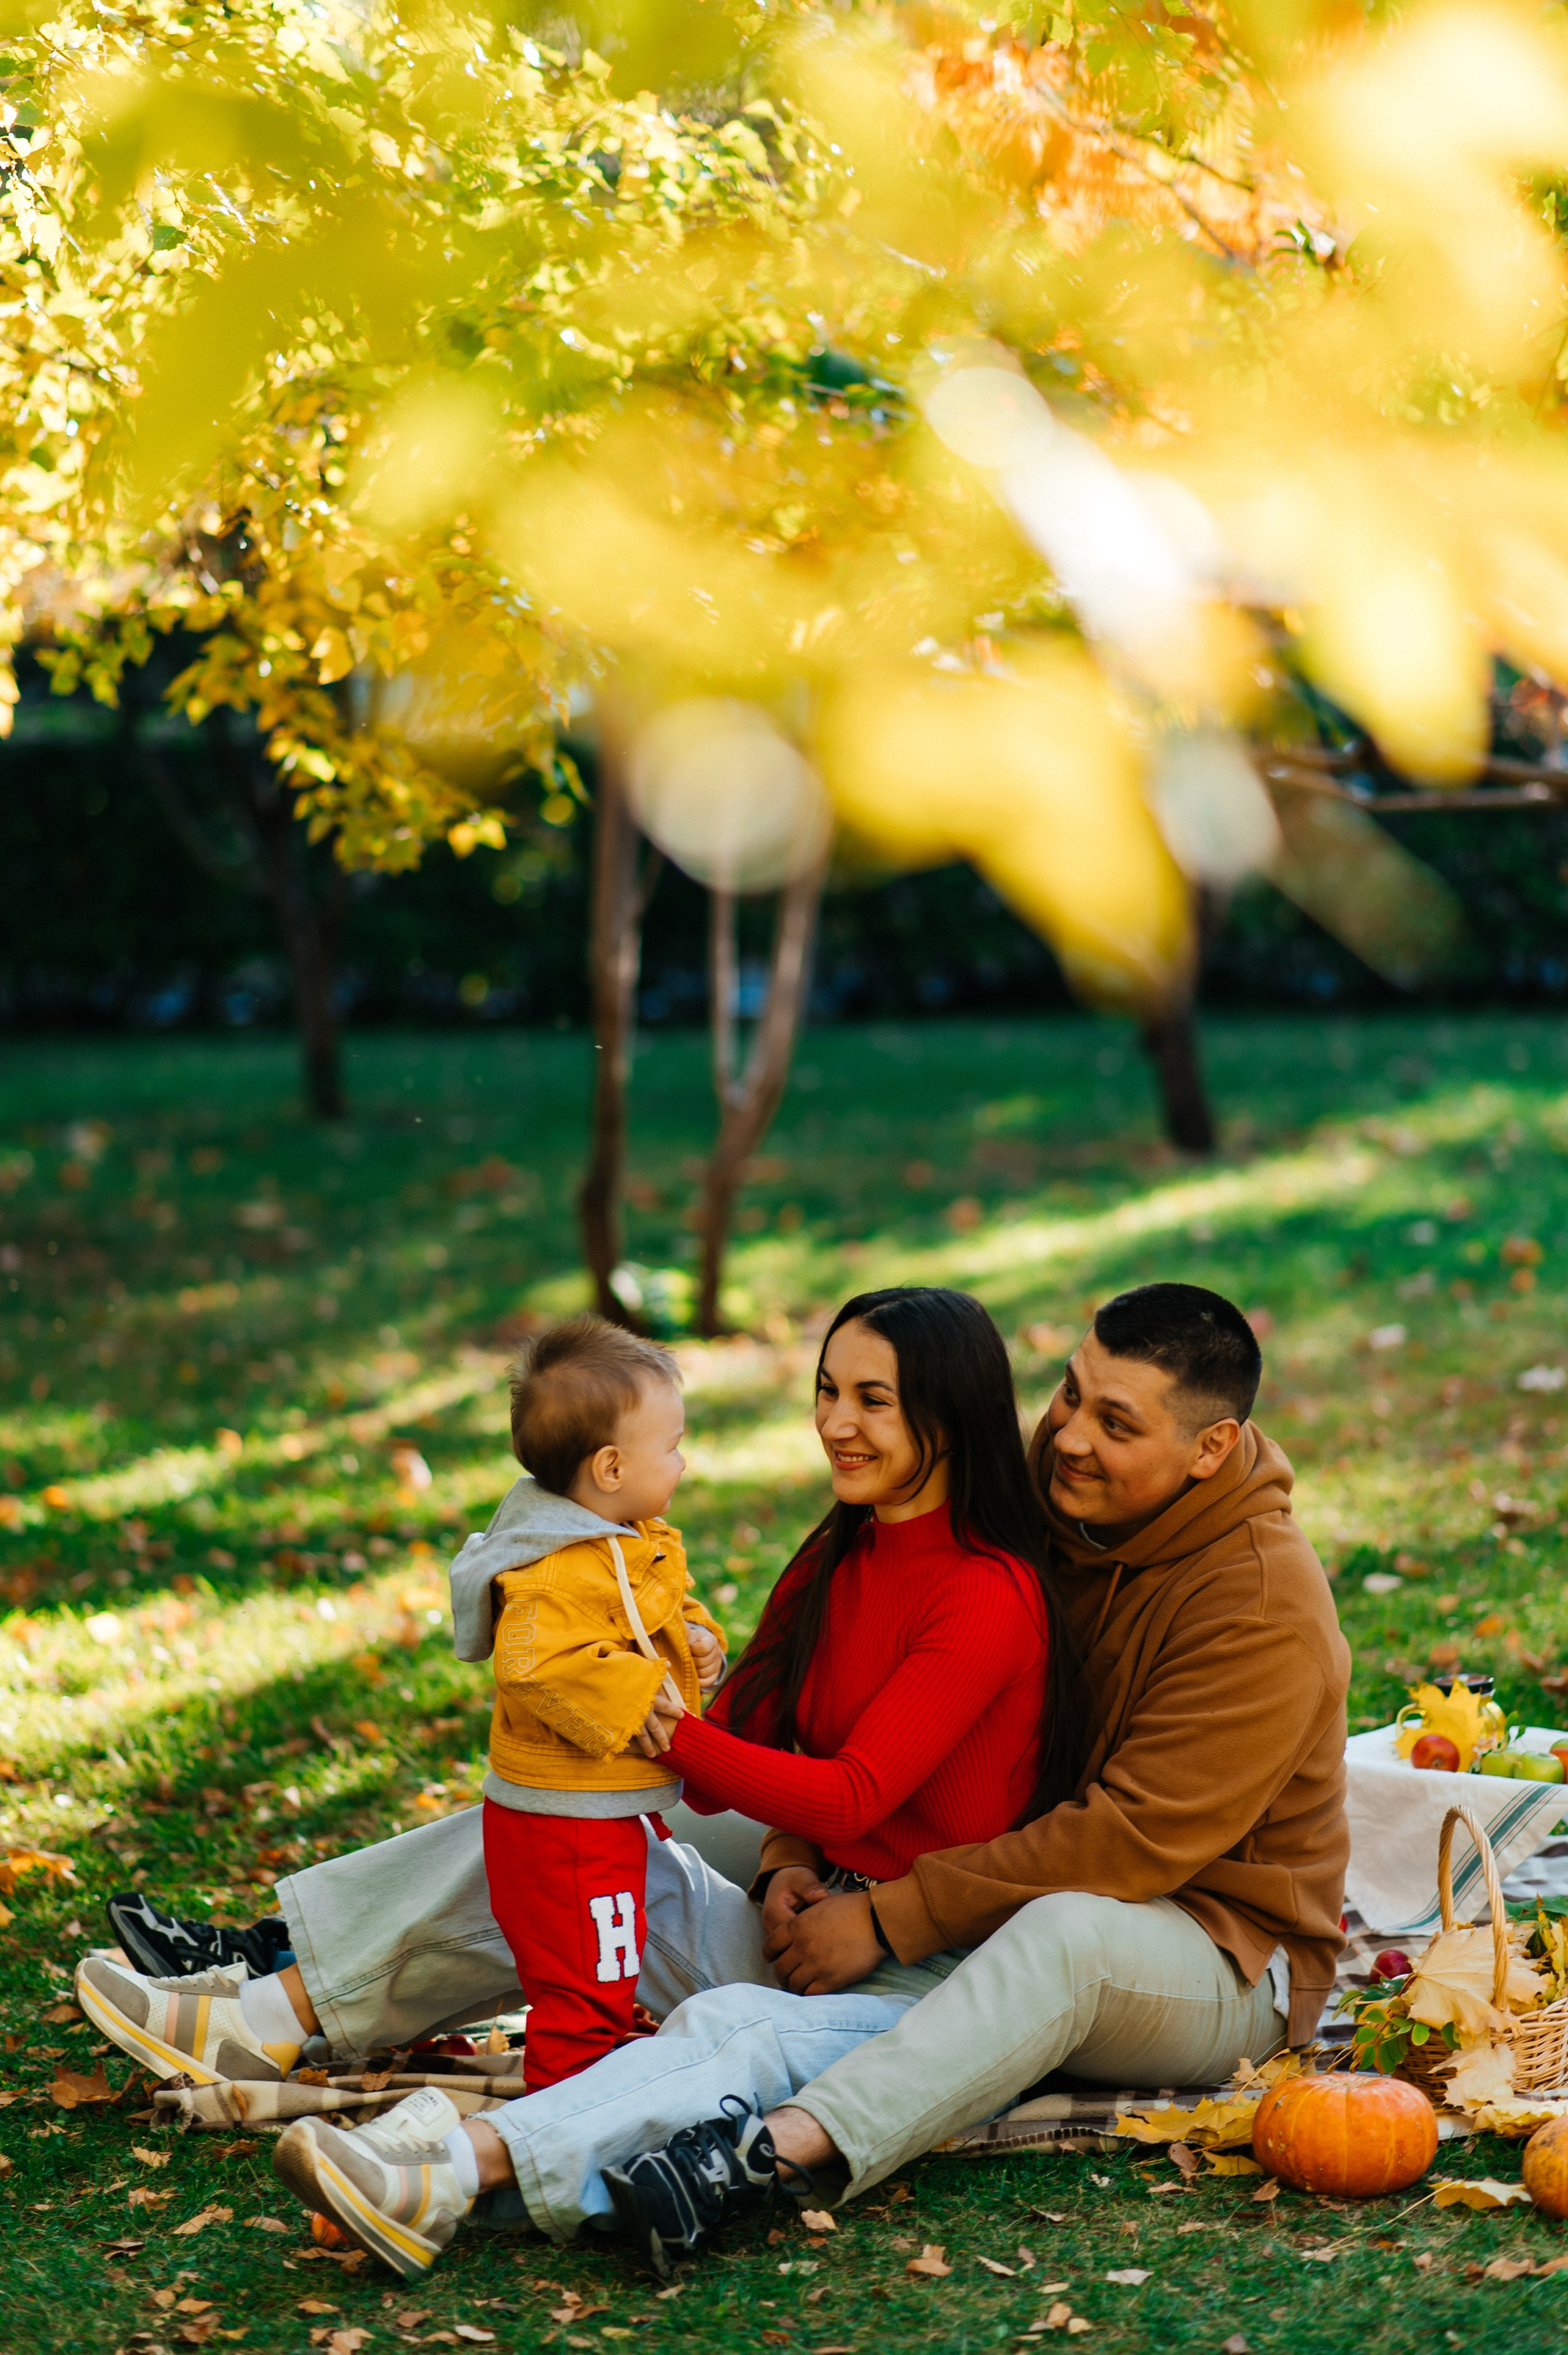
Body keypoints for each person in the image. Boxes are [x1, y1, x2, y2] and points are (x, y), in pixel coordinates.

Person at [81, 1285, 1077, 2278]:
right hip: (805, 1922)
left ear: (947, 1413)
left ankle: (442, 2176)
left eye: (873, 1400)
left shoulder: (986, 1592)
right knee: (556, 1826)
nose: (834, 1423)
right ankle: (260, 2021)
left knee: (724, 2031)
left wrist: (671, 1727)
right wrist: (774, 1860)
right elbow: (737, 1774)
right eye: (827, 1391)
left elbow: (854, 1794)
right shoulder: (840, 1551)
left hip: (926, 1986)